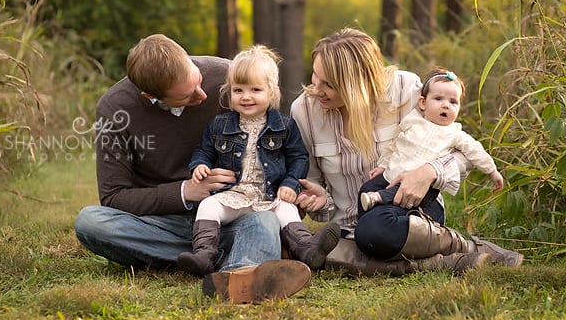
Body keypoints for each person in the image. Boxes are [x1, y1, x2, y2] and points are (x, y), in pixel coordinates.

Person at [74, 34, 316, 303]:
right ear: (150, 96)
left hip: (232, 214)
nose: (203, 95)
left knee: (265, 220)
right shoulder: (114, 109)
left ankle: (235, 271)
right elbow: (114, 196)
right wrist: (185, 191)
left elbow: (274, 145)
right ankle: (234, 260)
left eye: (198, 81)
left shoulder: (227, 75)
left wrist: (287, 188)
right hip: (163, 224)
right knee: (91, 222)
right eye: (188, 96)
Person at [290, 28, 523, 276]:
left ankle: (461, 245)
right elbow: (319, 193)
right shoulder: (304, 111)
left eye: (329, 84)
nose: (316, 89)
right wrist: (319, 200)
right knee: (310, 249)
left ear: (359, 84)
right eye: (315, 76)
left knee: (372, 236)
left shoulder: (406, 90)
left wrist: (429, 172)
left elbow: (459, 149)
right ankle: (446, 261)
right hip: (350, 230)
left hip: (411, 216)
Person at [179, 45, 331, 276]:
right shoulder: (220, 125)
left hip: (269, 196)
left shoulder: (284, 125)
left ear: (271, 92)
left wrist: (290, 184)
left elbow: (299, 157)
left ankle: (306, 248)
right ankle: (204, 254)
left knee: (287, 210)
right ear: (229, 92)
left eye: (255, 89)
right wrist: (200, 165)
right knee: (209, 206)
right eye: (238, 90)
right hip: (234, 194)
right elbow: (204, 151)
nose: (246, 96)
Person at [355, 67, 509, 262]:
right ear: (423, 103)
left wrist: (492, 171)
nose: (446, 106)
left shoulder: (455, 134)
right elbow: (395, 144)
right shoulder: (412, 121)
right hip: (389, 177)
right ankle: (372, 219)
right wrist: (383, 166)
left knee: (385, 208)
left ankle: (386, 206)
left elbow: (475, 152)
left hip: (422, 194)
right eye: (439, 99)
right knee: (366, 188)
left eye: (453, 102)